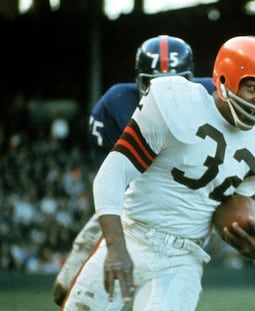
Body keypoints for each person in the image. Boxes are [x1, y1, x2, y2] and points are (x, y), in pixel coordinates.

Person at [62, 35, 255, 311]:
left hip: (182, 259)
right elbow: (111, 175)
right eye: (253, 87)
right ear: (225, 80)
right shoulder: (173, 100)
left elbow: (226, 211)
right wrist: (115, 248)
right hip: (132, 234)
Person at [52, 35, 214, 306]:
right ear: (139, 81)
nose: (167, 91)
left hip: (178, 215)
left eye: (176, 81)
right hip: (130, 205)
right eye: (154, 82)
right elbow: (113, 179)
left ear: (192, 79)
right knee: (64, 289)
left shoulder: (212, 99)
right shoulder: (115, 104)